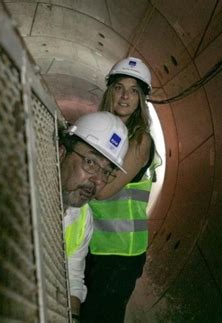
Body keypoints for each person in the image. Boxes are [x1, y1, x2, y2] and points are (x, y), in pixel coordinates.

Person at [81, 57, 158, 322]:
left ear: (141, 100)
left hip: (121, 253)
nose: (125, 96)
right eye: (119, 88)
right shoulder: (103, 129)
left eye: (134, 90)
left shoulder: (140, 139)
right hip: (95, 245)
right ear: (109, 92)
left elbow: (103, 191)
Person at [59, 111, 129, 322]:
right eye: (90, 162)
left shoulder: (83, 218)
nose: (97, 180)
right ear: (62, 153)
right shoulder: (23, 190)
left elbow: (73, 277)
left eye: (107, 172)